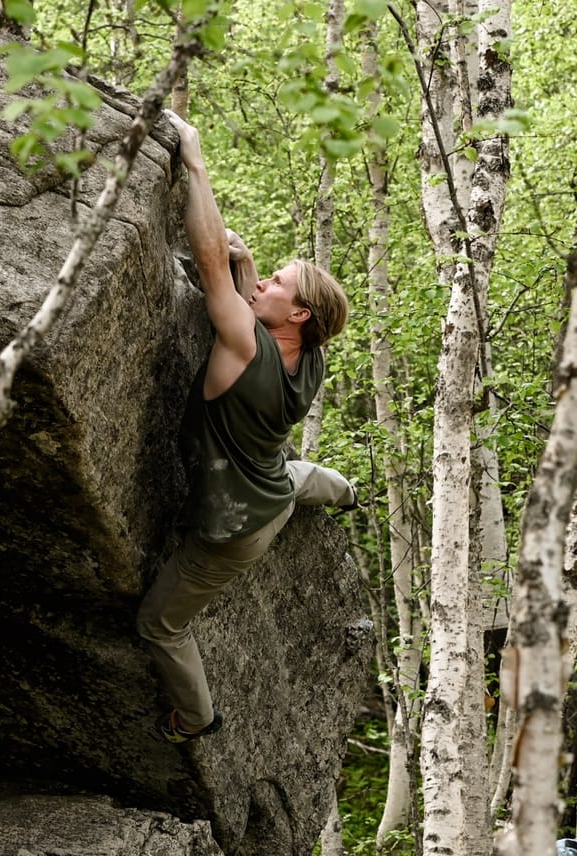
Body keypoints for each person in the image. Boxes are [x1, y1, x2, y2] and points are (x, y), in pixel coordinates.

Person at [136, 110, 356, 744]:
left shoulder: (243, 341)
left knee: (159, 624)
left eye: (275, 283)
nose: (261, 282)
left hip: (237, 528)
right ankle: (341, 489)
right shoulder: (310, 356)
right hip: (271, 481)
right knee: (293, 476)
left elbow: (209, 265)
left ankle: (197, 720)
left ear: (299, 312)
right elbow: (248, 298)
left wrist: (195, 158)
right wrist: (251, 261)